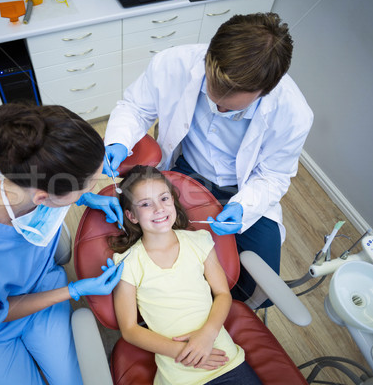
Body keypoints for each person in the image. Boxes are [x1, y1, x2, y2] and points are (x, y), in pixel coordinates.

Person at [104, 13, 314, 308]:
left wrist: (243, 207)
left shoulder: (293, 113)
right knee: (154, 248)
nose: (216, 107)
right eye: (212, 93)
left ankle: (216, 313)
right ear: (209, 58)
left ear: (264, 92)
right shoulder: (173, 63)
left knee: (259, 287)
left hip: (245, 188)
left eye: (229, 107)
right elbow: (136, 108)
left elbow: (274, 176)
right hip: (187, 169)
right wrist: (118, 141)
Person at [0, 103, 124, 385]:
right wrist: (75, 290)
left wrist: (86, 198)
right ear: (44, 198)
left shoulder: (25, 169)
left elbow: (60, 186)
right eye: (90, 185)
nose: (94, 187)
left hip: (42, 284)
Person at [109, 165, 262, 385]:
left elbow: (222, 293)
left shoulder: (199, 241)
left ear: (173, 200)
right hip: (179, 374)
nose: (158, 208)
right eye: (145, 204)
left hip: (224, 360)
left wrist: (207, 335)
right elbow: (130, 330)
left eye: (163, 199)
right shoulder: (128, 263)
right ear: (131, 216)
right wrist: (185, 351)